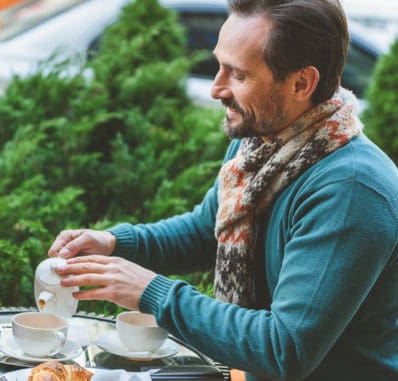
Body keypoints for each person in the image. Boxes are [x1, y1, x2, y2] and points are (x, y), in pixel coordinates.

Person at [48, 0, 398, 380]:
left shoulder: (351, 191)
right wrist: (114, 244)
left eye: (238, 75)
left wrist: (149, 291)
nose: (216, 88)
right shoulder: (261, 144)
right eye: (219, 66)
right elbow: (207, 232)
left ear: (301, 83)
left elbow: (284, 348)